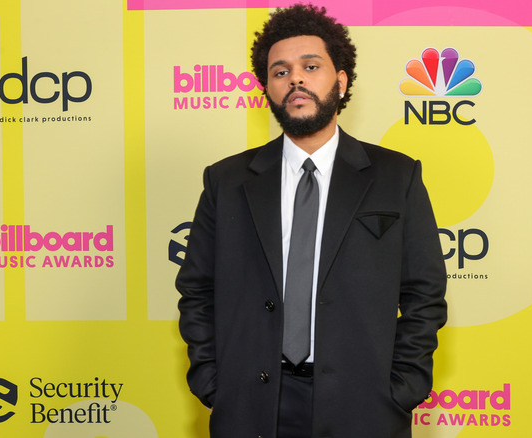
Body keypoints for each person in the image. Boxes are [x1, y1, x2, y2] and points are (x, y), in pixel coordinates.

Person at [176, 4, 447, 437]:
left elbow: (424, 293)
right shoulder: (226, 181)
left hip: (365, 408)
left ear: (340, 80)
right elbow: (197, 290)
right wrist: (215, 384)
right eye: (280, 71)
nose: (295, 79)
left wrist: (401, 388)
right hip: (251, 406)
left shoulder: (397, 176)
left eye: (311, 66)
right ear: (267, 87)